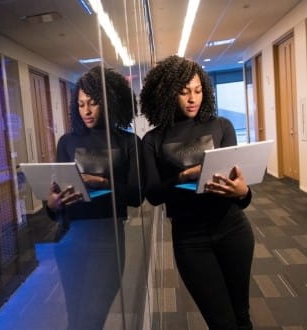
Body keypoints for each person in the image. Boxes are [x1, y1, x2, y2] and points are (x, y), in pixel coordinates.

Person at [140, 55, 254, 330]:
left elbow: (239, 191)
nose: (193, 98)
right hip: (190, 239)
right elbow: (154, 194)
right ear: (167, 94)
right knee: (221, 322)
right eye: (184, 92)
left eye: (198, 90)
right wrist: (183, 176)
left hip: (233, 229)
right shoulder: (153, 140)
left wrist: (243, 191)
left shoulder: (222, 126)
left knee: (242, 315)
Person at [46, 65, 143, 330]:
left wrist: (101, 182)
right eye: (81, 104)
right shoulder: (66, 142)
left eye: (93, 103)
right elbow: (57, 201)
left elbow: (136, 196)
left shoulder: (128, 142)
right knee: (75, 318)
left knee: (91, 319)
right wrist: (52, 204)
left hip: (107, 238)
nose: (86, 111)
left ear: (109, 102)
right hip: (69, 236)